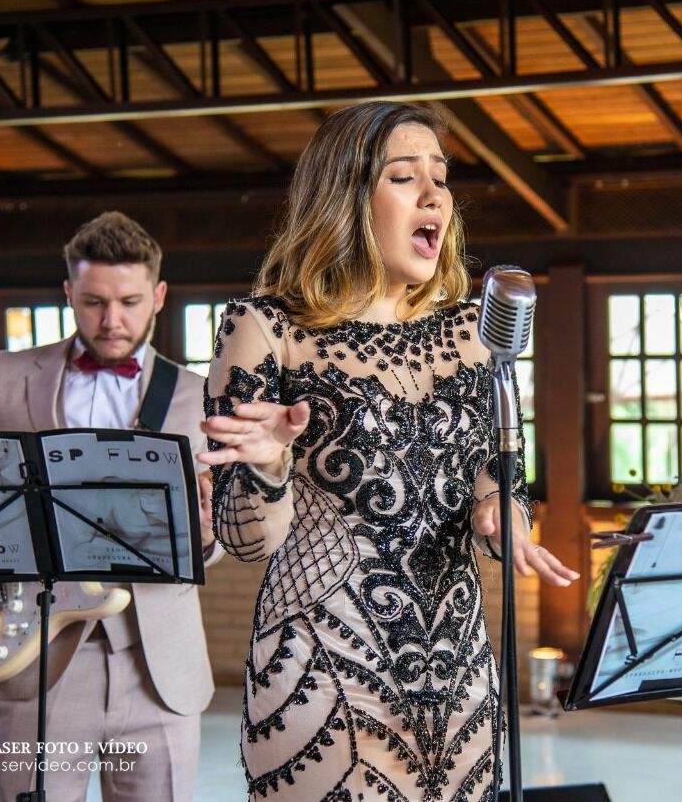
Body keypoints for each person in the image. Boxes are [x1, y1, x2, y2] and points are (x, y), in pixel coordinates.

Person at [198, 101, 579, 801]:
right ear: (343, 199)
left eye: (442, 177)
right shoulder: (265, 329)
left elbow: (503, 477)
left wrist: (504, 517)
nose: (435, 195)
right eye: (404, 177)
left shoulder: (476, 333)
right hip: (322, 677)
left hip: (462, 683)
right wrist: (269, 465)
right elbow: (247, 540)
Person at [0, 211, 221, 802]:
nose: (111, 320)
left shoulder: (196, 395)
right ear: (69, 293)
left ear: (159, 296)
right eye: (94, 301)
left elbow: (217, 536)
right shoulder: (3, 377)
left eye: (129, 302)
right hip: (38, 658)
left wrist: (207, 536)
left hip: (160, 671)